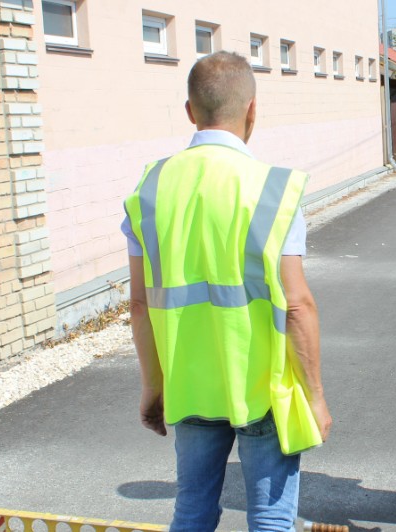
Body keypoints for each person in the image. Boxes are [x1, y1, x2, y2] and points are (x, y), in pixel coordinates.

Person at [122, 51, 332, 532]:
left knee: (192, 511)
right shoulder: (274, 189)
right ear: (252, 109)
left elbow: (139, 305)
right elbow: (297, 305)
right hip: (263, 385)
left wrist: (154, 387)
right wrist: (315, 396)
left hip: (190, 383)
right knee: (271, 518)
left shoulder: (149, 190)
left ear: (190, 111)